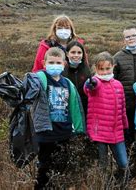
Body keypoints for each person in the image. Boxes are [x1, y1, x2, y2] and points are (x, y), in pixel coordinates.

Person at [32, 47, 85, 189]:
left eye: (58, 62)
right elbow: (27, 91)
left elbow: (74, 106)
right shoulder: (39, 79)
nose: (54, 65)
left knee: (60, 168)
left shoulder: (68, 83)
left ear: (64, 64)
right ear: (44, 63)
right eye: (51, 62)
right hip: (46, 133)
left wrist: (78, 128)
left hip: (64, 132)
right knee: (44, 168)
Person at [84, 52, 129, 186]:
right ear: (95, 69)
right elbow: (89, 88)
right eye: (101, 69)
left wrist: (125, 125)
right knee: (102, 165)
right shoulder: (95, 83)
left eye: (107, 68)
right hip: (99, 133)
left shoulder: (118, 85)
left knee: (123, 163)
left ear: (113, 67)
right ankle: (102, 185)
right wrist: (90, 84)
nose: (104, 72)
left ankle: (122, 185)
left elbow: (122, 108)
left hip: (117, 132)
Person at [62, 41, 91, 115]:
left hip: (83, 110)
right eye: (73, 52)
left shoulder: (87, 70)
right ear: (67, 54)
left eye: (79, 53)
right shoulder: (61, 71)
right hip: (66, 111)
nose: (76, 55)